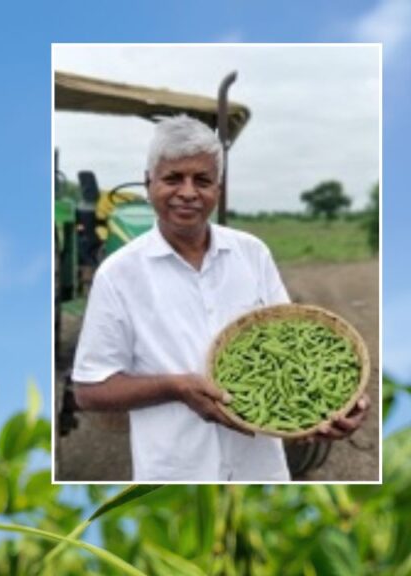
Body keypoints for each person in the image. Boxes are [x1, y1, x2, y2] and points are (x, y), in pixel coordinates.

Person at [71, 115, 369, 481]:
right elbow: (89, 391)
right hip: (177, 474)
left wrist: (338, 405)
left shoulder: (251, 253)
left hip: (261, 470)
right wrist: (176, 387)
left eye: (202, 180)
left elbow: (294, 350)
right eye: (172, 178)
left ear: (219, 189)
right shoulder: (118, 275)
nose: (188, 192)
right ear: (149, 183)